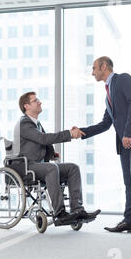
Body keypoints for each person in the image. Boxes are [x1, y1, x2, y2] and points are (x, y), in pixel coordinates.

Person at [79, 56, 131, 236]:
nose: (93, 72)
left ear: (104, 66)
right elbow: (105, 123)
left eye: (94, 68)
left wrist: (128, 133)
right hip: (124, 141)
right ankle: (129, 221)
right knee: (128, 180)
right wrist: (83, 132)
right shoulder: (108, 95)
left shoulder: (123, 79)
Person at [14, 91, 101, 226]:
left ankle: (77, 209)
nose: (40, 102)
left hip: (39, 165)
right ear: (26, 106)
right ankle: (60, 213)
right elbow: (43, 138)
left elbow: (41, 143)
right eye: (35, 100)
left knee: (73, 168)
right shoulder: (24, 123)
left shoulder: (36, 124)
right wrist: (69, 134)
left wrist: (52, 154)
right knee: (51, 168)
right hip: (27, 167)